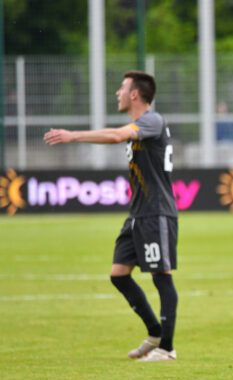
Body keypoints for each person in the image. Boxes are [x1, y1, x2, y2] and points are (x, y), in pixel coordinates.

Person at [44, 71, 179, 362]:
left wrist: (73, 136)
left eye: (121, 88)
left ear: (134, 95)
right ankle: (154, 332)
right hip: (138, 214)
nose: (117, 93)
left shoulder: (152, 120)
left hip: (157, 213)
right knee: (118, 275)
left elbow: (118, 135)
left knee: (161, 276)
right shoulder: (140, 124)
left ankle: (166, 348)